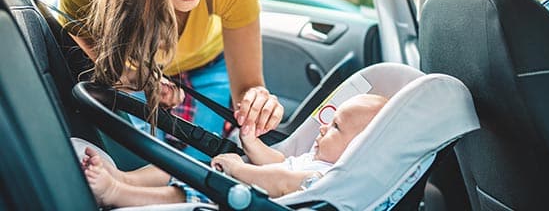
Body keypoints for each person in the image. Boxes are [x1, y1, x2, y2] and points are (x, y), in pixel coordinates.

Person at [57, 0, 284, 160]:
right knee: (145, 158)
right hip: (139, 70)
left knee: (202, 159)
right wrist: (141, 81)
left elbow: (249, 86)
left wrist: (258, 100)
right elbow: (114, 72)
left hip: (209, 63)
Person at [81, 94, 387, 207]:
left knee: (191, 190)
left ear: (358, 149)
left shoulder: (326, 177)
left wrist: (238, 169)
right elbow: (279, 161)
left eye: (335, 128)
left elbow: (281, 180)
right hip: (243, 182)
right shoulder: (313, 159)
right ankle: (124, 177)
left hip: (242, 196)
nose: (323, 128)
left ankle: (117, 194)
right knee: (184, 165)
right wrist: (251, 142)